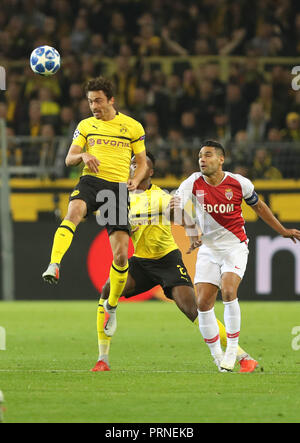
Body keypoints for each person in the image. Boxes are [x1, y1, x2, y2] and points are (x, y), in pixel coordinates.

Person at [91, 153, 258, 373]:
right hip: (141, 262)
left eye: (139, 163)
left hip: (167, 261)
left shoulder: (161, 196)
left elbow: (181, 215)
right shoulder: (123, 198)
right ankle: (103, 359)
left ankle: (243, 356)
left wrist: (190, 232)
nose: (133, 167)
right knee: (107, 290)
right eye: (131, 163)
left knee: (192, 309)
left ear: (149, 171)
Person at [172, 140, 300, 372]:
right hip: (209, 249)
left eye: (208, 155)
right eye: (200, 155)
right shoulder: (192, 182)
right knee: (202, 303)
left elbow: (259, 207)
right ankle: (217, 357)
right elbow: (176, 208)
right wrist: (191, 233)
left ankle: (232, 350)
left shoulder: (239, 183)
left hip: (235, 246)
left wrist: (282, 231)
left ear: (221, 159)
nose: (202, 159)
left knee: (229, 290)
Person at [42, 77, 148, 334]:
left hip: (117, 189)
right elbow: (69, 159)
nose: (94, 106)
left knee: (121, 254)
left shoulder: (132, 127)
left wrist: (135, 179)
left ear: (111, 100)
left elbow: (142, 161)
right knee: (74, 212)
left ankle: (110, 306)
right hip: (91, 181)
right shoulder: (86, 125)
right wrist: (83, 155)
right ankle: (54, 264)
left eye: (98, 100)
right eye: (90, 101)